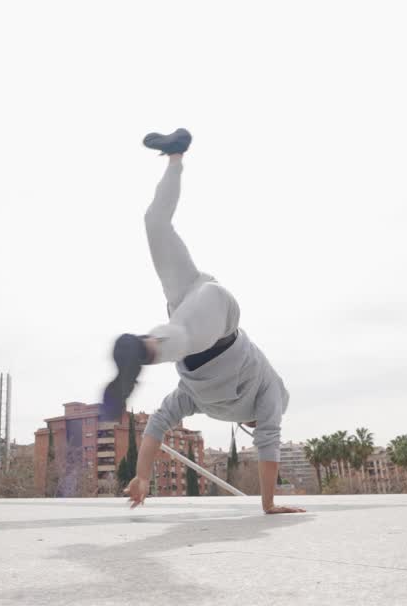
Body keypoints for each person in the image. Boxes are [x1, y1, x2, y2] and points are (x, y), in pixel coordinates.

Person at [101, 129, 304, 515]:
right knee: (181, 334)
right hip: (209, 316)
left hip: (196, 305)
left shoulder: (209, 396)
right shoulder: (263, 396)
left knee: (155, 224)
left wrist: (142, 477)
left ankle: (177, 157)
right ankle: (144, 349)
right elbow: (269, 441)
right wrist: (268, 505)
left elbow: (157, 426)